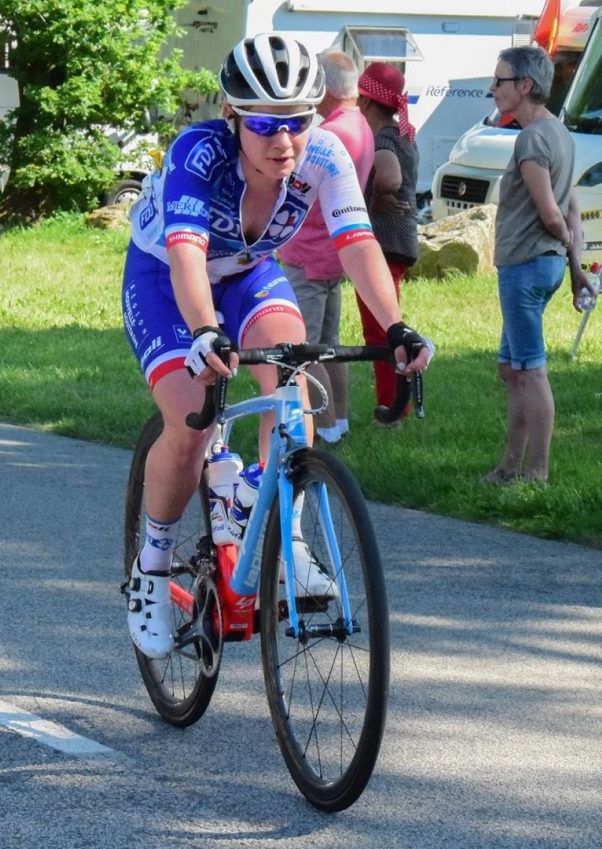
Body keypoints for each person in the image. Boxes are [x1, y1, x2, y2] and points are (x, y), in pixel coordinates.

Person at [122, 34, 433, 658]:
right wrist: (206, 332)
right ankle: (150, 572)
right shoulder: (198, 153)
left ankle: (282, 531)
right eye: (265, 123)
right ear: (233, 116)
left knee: (294, 376)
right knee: (189, 420)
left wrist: (396, 326)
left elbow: (358, 243)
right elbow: (186, 252)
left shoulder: (324, 155)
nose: (283, 139)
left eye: (297, 121)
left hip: (246, 274)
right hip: (166, 277)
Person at [481, 45, 590, 485]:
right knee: (511, 369)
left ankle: (536, 473)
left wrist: (564, 246)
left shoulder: (532, 139)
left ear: (524, 86)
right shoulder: (558, 132)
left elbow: (553, 213)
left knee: (530, 370)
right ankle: (510, 465)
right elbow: (574, 210)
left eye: (500, 81)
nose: (493, 89)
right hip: (536, 267)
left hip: (527, 265)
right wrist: (576, 264)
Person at [275, 50, 373, 445]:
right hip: (332, 258)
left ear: (325, 87)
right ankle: (341, 422)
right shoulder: (359, 124)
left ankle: (324, 429)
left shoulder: (330, 135)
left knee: (305, 351)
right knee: (330, 346)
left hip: (309, 255)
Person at [356, 62, 421, 423]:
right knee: (386, 323)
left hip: (384, 242)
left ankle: (393, 408)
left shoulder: (382, 139)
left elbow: (390, 177)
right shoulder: (405, 134)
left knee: (380, 331)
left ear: (366, 103)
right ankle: (396, 402)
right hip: (402, 239)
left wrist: (374, 197)